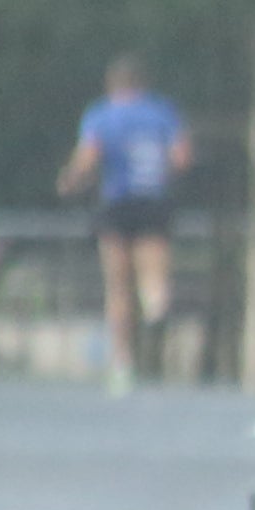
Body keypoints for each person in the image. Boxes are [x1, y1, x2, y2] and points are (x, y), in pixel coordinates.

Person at [57, 58, 189, 387]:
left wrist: (70, 180)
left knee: (117, 285)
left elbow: (89, 156)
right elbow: (180, 157)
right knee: (153, 274)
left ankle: (122, 361)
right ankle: (157, 308)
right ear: (143, 84)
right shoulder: (162, 112)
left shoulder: (101, 115)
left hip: (117, 203)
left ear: (111, 84)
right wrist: (164, 174)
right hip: (153, 200)